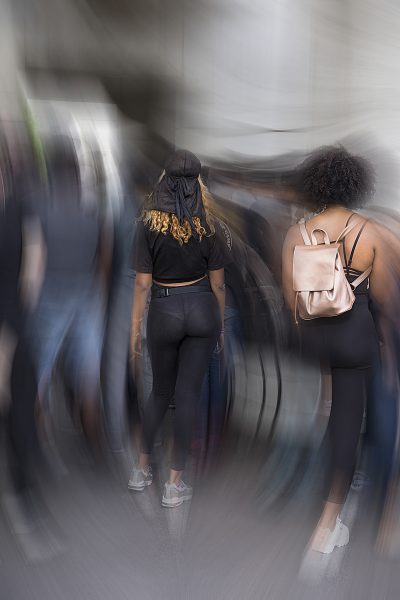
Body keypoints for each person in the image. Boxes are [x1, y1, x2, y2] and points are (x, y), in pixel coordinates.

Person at [282, 145, 395, 553]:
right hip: (354, 338)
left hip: (314, 337)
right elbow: (383, 297)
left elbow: (291, 298)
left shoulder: (296, 232)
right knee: (348, 423)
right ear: (355, 186)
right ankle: (328, 525)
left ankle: (298, 467)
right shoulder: (371, 232)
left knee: (324, 404)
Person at [128, 149, 226, 507]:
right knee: (188, 397)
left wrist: (135, 328)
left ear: (164, 180)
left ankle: (140, 471)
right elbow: (218, 284)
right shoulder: (211, 224)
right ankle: (174, 485)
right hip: (201, 310)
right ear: (198, 183)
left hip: (164, 311)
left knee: (160, 393)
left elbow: (142, 284)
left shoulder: (147, 223)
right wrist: (220, 326)